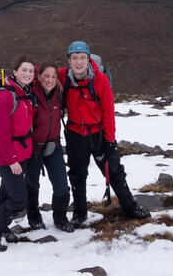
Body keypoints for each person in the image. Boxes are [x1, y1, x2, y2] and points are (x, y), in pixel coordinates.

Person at [59, 41, 151, 227]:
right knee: (77, 174)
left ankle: (130, 207)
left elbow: (108, 112)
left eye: (82, 58)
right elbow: (40, 72)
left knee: (114, 171)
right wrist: (15, 72)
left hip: (98, 134)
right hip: (76, 134)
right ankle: (79, 213)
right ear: (68, 61)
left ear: (88, 59)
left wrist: (110, 141)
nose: (78, 62)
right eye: (74, 58)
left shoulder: (99, 79)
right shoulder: (63, 76)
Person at [0, 57, 36, 252]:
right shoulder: (5, 96)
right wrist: (12, 161)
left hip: (22, 154)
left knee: (6, 194)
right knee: (18, 199)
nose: (28, 74)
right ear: (14, 72)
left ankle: (1, 228)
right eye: (24, 70)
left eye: (31, 71)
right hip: (8, 157)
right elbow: (2, 134)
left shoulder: (23, 93)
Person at [23, 63, 75, 232]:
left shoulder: (59, 95)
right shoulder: (31, 93)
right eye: (46, 76)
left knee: (61, 186)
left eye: (54, 77)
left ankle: (60, 218)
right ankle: (34, 218)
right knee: (32, 185)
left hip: (54, 146)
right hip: (33, 148)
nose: (50, 80)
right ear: (39, 76)